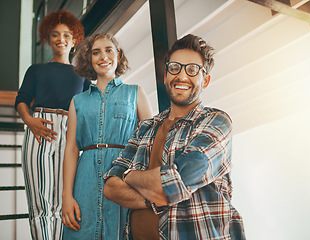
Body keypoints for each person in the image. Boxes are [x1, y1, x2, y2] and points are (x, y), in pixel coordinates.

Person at [103, 34, 246, 240]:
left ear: (205, 80)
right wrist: (154, 198)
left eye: (192, 69)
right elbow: (110, 187)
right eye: (175, 68)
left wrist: (129, 176)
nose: (182, 76)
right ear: (165, 76)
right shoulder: (145, 127)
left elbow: (174, 182)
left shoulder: (216, 121)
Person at [61, 32, 153, 240]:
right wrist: (67, 196)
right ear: (89, 60)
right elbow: (72, 149)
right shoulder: (77, 101)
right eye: (96, 52)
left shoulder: (135, 92)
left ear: (118, 55)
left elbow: (150, 143)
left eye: (108, 50)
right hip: (84, 182)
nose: (103, 56)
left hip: (124, 181)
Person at [14, 9, 89, 240]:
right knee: (40, 201)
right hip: (40, 129)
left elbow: (86, 110)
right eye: (55, 34)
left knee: (63, 200)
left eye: (66, 35)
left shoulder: (82, 75)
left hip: (70, 132)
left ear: (75, 39)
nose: (61, 39)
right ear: (47, 39)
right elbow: (21, 100)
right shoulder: (36, 70)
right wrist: (29, 121)